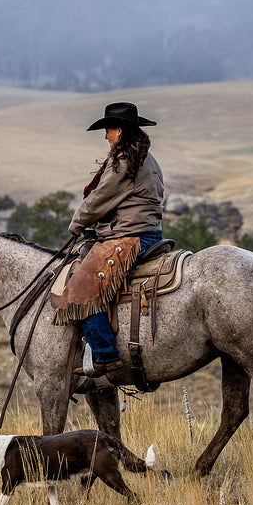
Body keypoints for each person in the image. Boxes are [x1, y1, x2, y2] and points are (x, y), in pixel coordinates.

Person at [52, 101, 166, 378]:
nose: (105, 136)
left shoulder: (124, 162)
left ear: (119, 130)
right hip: (145, 231)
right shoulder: (145, 158)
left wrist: (76, 225)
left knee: (80, 289)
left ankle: (104, 354)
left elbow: (98, 199)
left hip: (130, 236)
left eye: (108, 130)